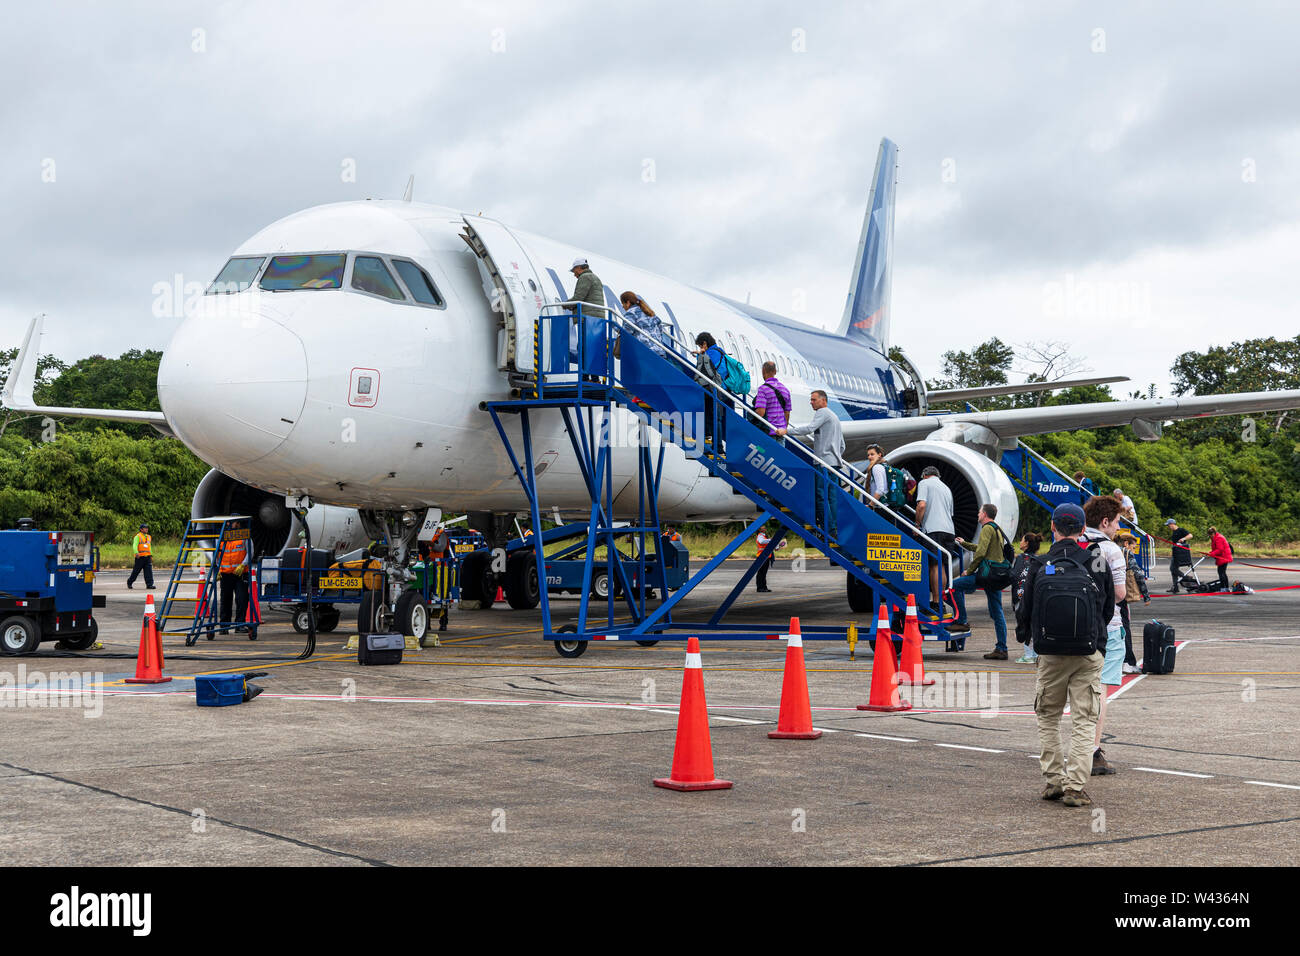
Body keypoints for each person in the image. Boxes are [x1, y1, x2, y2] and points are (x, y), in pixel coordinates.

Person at [1016, 503, 1113, 808]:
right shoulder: (1096, 561)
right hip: (1088, 651)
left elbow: (1025, 608)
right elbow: (1108, 607)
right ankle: (1075, 786)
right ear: (1084, 529)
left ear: (1053, 527)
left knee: (1048, 715)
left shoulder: (1039, 563)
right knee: (1085, 718)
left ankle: (1053, 781)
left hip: (1050, 653)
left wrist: (1028, 638)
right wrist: (1096, 640)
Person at [1082, 495, 1129, 776]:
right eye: (1117, 522)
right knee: (1099, 691)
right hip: (1105, 629)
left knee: (1078, 689)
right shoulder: (1110, 549)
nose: (1117, 528)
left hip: (1072, 627)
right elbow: (1120, 595)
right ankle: (1093, 750)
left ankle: (1074, 746)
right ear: (1105, 521)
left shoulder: (1072, 542)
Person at [777, 390, 845, 541]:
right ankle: (833, 528)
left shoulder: (822, 412)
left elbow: (809, 429)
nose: (811, 402)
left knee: (821, 496)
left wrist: (786, 431)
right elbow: (842, 445)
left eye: (814, 400)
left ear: (823, 401)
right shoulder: (834, 417)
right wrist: (835, 455)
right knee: (832, 497)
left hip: (824, 463)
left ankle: (828, 528)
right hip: (834, 463)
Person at [948, 504, 1010, 659]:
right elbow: (983, 547)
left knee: (954, 586)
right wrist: (965, 544)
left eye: (980, 512)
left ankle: (962, 621)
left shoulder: (987, 528)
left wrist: (968, 571)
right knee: (997, 612)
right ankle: (1002, 648)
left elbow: (982, 553)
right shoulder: (996, 528)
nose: (977, 514)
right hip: (995, 576)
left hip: (986, 574)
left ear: (985, 514)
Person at [914, 465, 956, 612]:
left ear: (925, 475)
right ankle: (940, 602)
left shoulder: (924, 483)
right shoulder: (946, 488)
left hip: (933, 529)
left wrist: (917, 524)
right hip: (949, 531)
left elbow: (921, 505)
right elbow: (950, 513)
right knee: (942, 566)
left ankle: (936, 603)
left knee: (934, 566)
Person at [693, 332, 733, 453]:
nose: (700, 349)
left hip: (715, 389)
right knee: (714, 417)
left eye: (700, 346)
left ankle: (718, 447)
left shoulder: (712, 353)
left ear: (705, 343)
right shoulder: (720, 351)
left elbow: (707, 369)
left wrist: (700, 355)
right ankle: (715, 445)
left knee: (716, 418)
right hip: (719, 389)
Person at [1115, 530, 1150, 673]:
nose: (1133, 550)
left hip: (1105, 595)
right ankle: (1128, 662)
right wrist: (1146, 595)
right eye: (1133, 546)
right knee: (1125, 627)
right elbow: (1138, 574)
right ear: (1126, 543)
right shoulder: (1126, 553)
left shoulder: (1105, 550)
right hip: (1120, 596)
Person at [1010, 532, 1044, 663]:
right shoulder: (1039, 559)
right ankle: (1035, 654)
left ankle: (1029, 655)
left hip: (1021, 597)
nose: (1020, 542)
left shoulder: (1021, 558)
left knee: (1024, 625)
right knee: (1034, 625)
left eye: (1022, 540)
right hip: (1035, 597)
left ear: (1027, 543)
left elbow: (1014, 575)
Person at [217, 532, 253, 636]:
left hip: (240, 573)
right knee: (225, 600)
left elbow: (250, 552)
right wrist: (218, 568)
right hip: (225, 573)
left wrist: (243, 565)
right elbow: (216, 554)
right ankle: (224, 626)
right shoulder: (221, 538)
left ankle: (239, 625)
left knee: (241, 599)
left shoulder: (244, 537)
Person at [618, 291, 667, 357]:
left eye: (623, 304)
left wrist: (616, 328)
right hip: (659, 351)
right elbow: (660, 329)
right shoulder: (648, 311)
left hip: (645, 351)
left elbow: (627, 332)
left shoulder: (631, 313)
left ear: (628, 303)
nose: (623, 307)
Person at [753, 361, 791, 437]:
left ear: (763, 371)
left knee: (761, 449)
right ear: (775, 372)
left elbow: (761, 412)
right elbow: (787, 413)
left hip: (768, 431)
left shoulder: (763, 389)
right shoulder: (785, 390)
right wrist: (784, 429)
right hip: (781, 433)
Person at [754, 526, 787, 593]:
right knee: (761, 573)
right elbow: (762, 541)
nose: (765, 528)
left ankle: (764, 587)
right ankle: (760, 588)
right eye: (763, 527)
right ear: (760, 529)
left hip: (766, 557)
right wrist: (771, 539)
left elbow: (769, 545)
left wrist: (777, 546)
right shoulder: (760, 536)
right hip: (761, 557)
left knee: (763, 573)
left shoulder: (765, 536)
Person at [1165, 517, 1194, 593]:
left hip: (1181, 553)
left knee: (1173, 569)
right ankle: (1175, 587)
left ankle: (1186, 577)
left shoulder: (1181, 530)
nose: (1168, 527)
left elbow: (1190, 535)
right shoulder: (1174, 532)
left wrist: (1183, 539)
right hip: (1175, 553)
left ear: (1172, 524)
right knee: (1173, 570)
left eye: (1168, 525)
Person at [126, 523, 155, 590]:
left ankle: (149, 585)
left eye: (147, 528)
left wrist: (151, 555)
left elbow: (149, 546)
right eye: (145, 528)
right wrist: (136, 552)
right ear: (141, 529)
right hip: (140, 557)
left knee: (148, 571)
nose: (146, 529)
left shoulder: (149, 537)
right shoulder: (137, 536)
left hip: (147, 557)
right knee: (136, 571)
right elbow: (134, 545)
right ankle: (129, 582)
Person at [1208, 526, 1233, 590]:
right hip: (1222, 557)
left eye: (1210, 535)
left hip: (1224, 557)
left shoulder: (1219, 538)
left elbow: (1220, 549)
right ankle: (1226, 587)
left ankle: (1224, 588)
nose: (1210, 536)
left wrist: (1211, 554)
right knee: (1222, 573)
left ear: (1213, 533)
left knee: (1221, 573)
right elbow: (1216, 549)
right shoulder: (1216, 537)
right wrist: (1210, 553)